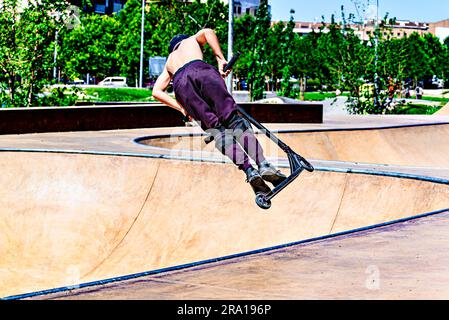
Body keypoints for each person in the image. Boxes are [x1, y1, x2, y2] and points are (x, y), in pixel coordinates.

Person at [152, 29, 286, 196]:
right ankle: (263, 164)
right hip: (201, 70)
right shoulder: (191, 40)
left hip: (181, 86)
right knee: (234, 120)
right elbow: (208, 32)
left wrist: (182, 108)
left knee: (218, 133)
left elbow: (156, 91)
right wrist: (220, 58)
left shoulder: (169, 63)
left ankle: (249, 171)